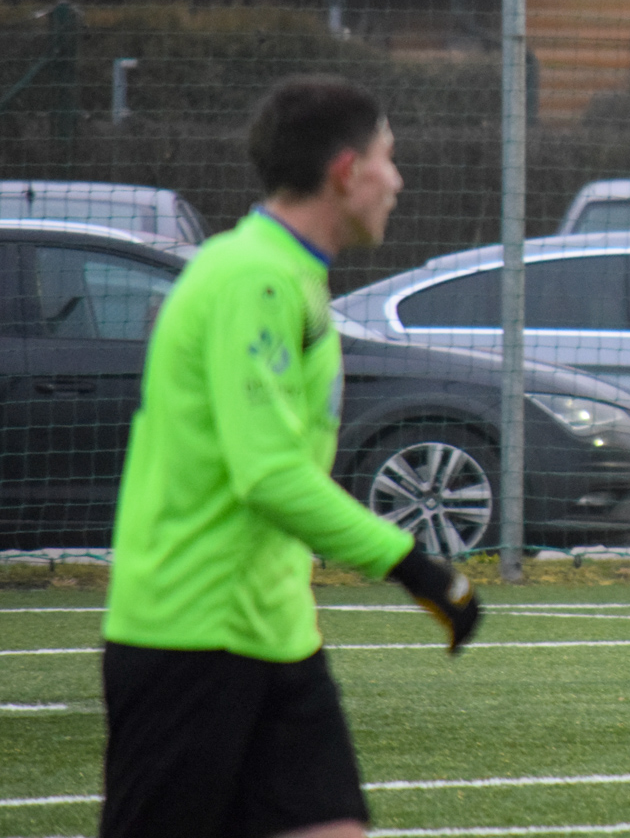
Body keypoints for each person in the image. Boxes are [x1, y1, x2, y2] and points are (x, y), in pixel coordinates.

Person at [100, 76, 481, 838]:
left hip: (275, 632)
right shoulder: (254, 279)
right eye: (387, 158)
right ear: (346, 172)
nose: (398, 181)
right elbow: (268, 473)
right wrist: (417, 568)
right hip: (190, 634)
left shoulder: (290, 276)